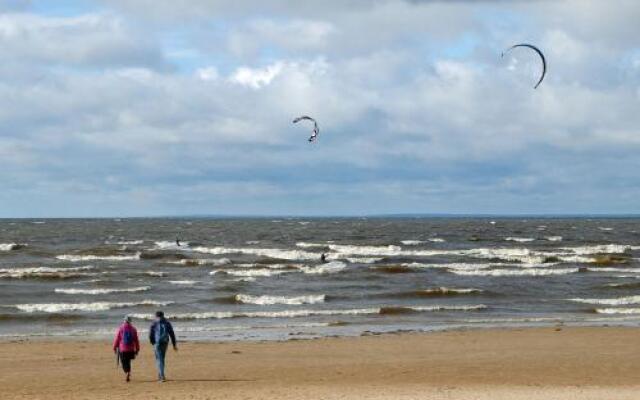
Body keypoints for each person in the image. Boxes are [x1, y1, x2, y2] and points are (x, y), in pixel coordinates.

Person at [149, 311, 177, 382]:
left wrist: (152, 342)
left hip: (157, 342)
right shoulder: (167, 323)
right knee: (161, 358)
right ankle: (160, 374)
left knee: (159, 359)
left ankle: (162, 376)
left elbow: (150, 334)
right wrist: (174, 344)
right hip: (165, 342)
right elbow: (172, 334)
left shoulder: (154, 322)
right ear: (163, 315)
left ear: (156, 316)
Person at [112, 315, 140, 382]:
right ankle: (128, 372)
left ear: (124, 321)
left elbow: (117, 339)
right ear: (130, 321)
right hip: (131, 349)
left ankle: (127, 372)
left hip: (123, 349)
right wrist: (137, 349)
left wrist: (114, 347)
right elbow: (136, 340)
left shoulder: (121, 328)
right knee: (128, 361)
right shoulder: (133, 329)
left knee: (124, 362)